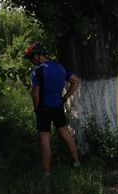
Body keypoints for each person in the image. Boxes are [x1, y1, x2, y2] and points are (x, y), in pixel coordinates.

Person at [24, 42, 81, 176]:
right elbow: (76, 81)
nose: (32, 61)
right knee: (66, 135)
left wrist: (36, 109)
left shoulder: (37, 71)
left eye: (32, 58)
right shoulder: (60, 67)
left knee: (44, 140)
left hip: (44, 109)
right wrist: (65, 97)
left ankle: (47, 172)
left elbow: (35, 95)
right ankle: (77, 162)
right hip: (58, 106)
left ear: (37, 57)